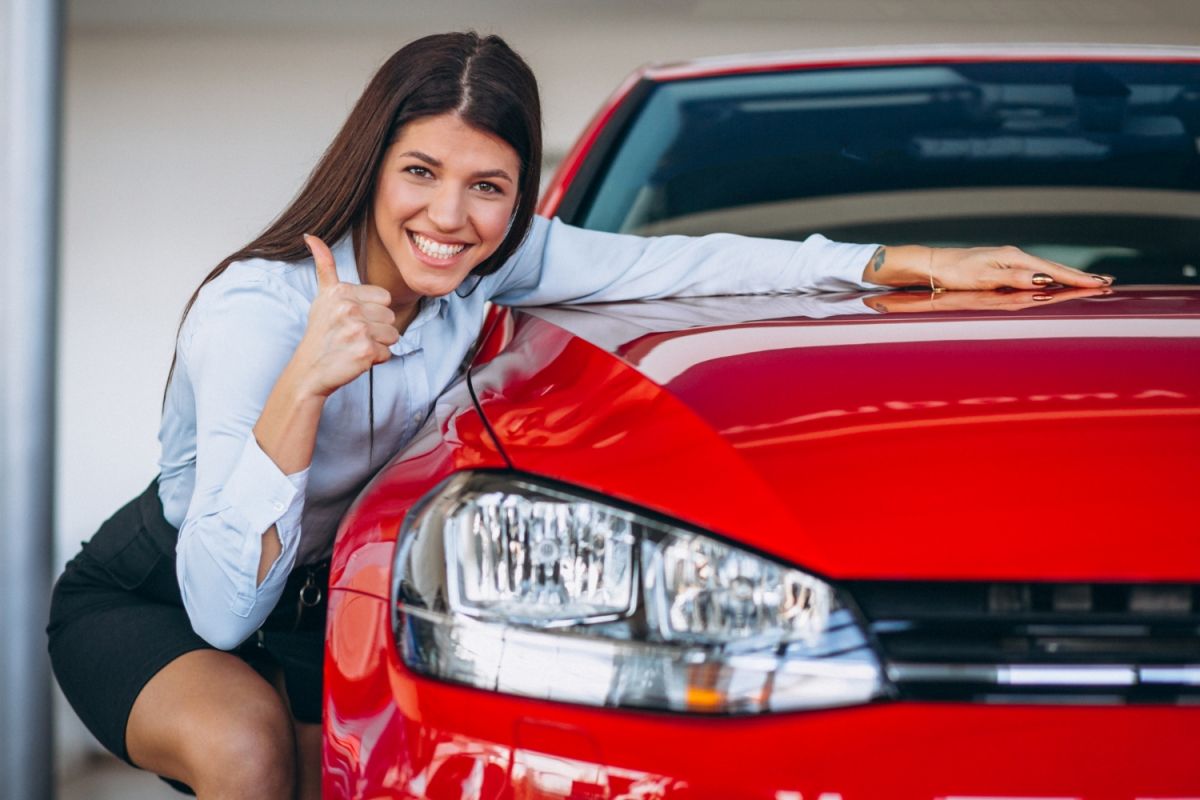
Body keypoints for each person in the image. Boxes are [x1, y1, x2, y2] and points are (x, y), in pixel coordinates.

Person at [46, 31, 1113, 800]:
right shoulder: (256, 312)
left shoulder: (488, 271)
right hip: (167, 592)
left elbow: (690, 262)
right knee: (248, 749)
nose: (449, 216)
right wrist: (302, 384)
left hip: (315, 596)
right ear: (372, 164)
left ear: (520, 199)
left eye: (489, 186)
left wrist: (914, 261)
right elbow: (222, 606)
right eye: (421, 171)